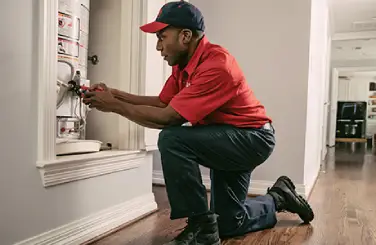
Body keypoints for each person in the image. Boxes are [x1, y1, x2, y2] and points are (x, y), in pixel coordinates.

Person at [83, 1, 314, 244]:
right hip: (227, 137)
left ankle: (200, 225)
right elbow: (164, 103)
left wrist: (114, 106)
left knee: (172, 138)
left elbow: (170, 118)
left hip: (252, 139)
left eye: (162, 37)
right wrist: (116, 94)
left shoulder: (217, 65)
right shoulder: (183, 64)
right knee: (228, 223)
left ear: (185, 35)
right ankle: (279, 197)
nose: (158, 46)